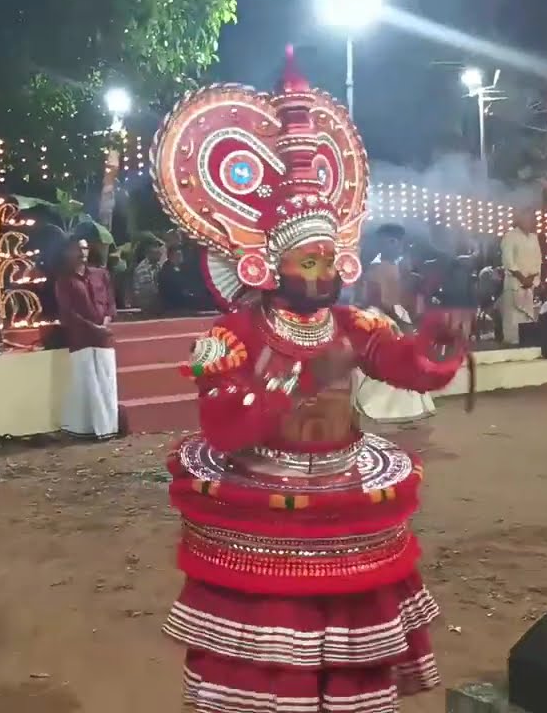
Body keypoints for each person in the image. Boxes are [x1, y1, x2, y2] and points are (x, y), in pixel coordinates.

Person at [151, 49, 470, 713]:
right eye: (308, 257)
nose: (324, 271)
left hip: (343, 495)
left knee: (351, 658)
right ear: (269, 263)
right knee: (272, 667)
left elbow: (401, 363)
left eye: (329, 256)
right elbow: (224, 425)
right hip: (263, 503)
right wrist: (299, 383)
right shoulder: (231, 336)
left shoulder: (351, 322)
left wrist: (434, 349)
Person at [353, 224, 436, 423]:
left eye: (398, 242)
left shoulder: (397, 266)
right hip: (384, 316)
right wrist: (400, 321)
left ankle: (401, 407)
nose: (396, 246)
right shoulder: (377, 268)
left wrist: (408, 315)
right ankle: (381, 407)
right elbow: (379, 300)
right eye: (390, 242)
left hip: (396, 314)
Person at [54, 237, 118, 439]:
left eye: (85, 248)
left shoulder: (101, 274)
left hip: (104, 337)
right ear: (68, 252)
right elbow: (69, 312)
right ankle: (86, 429)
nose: (83, 252)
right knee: (87, 384)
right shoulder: (64, 281)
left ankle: (108, 428)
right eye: (78, 249)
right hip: (81, 338)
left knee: (107, 383)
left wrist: (104, 324)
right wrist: (94, 328)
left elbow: (110, 303)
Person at [499, 208, 542, 346]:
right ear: (519, 220)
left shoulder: (534, 237)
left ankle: (526, 342)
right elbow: (508, 261)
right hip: (515, 283)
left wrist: (531, 278)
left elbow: (538, 260)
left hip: (529, 284)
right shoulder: (510, 236)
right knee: (513, 317)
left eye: (531, 219)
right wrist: (522, 278)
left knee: (528, 315)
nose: (530, 221)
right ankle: (512, 342)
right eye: (526, 218)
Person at [158, 244, 198, 311]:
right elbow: (169, 289)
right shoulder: (166, 271)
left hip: (185, 304)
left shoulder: (183, 268)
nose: (181, 257)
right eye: (178, 255)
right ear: (171, 256)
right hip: (172, 306)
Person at [132, 240, 164, 314]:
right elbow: (147, 288)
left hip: (157, 303)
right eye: (156, 253)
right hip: (146, 302)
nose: (159, 255)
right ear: (149, 254)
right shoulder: (142, 268)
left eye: (159, 253)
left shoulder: (159, 266)